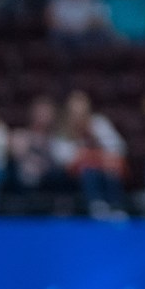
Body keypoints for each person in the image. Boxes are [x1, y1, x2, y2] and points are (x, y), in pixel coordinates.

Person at [53, 90, 127, 219]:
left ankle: (116, 207)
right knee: (89, 169)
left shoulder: (99, 123)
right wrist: (86, 154)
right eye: (74, 114)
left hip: (104, 169)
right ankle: (97, 206)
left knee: (111, 168)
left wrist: (95, 138)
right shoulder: (61, 132)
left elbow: (119, 147)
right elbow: (64, 160)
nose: (78, 118)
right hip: (74, 175)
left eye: (82, 113)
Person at [45, 0, 113, 51]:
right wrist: (67, 29)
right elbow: (49, 19)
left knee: (101, 35)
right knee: (55, 36)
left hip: (86, 34)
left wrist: (82, 28)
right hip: (64, 33)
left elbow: (100, 20)